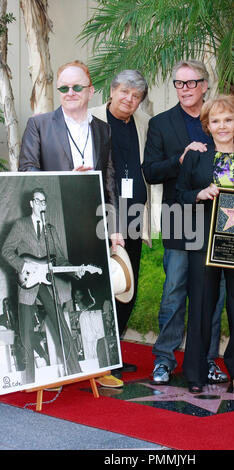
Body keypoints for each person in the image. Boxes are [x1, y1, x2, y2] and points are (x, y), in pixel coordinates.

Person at [143, 59, 234, 385]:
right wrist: (180, 158)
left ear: (204, 85)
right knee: (175, 291)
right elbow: (150, 171)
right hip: (182, 218)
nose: (185, 89)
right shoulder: (161, 123)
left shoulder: (222, 118)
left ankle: (208, 360)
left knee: (215, 294)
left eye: (192, 83)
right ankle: (164, 359)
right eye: (179, 83)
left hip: (220, 224)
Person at [18, 60, 124, 388]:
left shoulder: (103, 129)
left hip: (93, 224)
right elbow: (27, 169)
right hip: (56, 224)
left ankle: (100, 366)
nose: (70, 93)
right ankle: (56, 370)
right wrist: (64, 178)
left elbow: (109, 181)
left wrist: (114, 226)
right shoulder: (39, 125)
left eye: (77, 87)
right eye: (64, 87)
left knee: (96, 287)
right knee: (57, 295)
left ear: (91, 90)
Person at [176, 94, 234, 393]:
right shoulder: (196, 156)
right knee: (201, 307)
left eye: (228, 120)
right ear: (207, 125)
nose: (222, 125)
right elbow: (180, 194)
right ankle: (195, 375)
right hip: (203, 241)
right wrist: (199, 194)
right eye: (215, 120)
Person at [89, 70, 162, 384]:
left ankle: (113, 355)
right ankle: (95, 357)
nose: (130, 100)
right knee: (99, 288)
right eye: (125, 93)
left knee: (126, 289)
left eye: (136, 96)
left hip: (134, 217)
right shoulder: (90, 118)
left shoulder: (145, 122)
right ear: (112, 90)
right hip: (97, 215)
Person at [1, 188, 85, 384]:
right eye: (37, 201)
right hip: (27, 284)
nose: (41, 204)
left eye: (44, 202)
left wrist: (75, 270)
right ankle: (29, 382)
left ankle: (76, 373)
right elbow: (6, 250)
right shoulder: (20, 225)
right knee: (27, 338)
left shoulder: (50, 230)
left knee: (61, 326)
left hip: (45, 284)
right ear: (31, 204)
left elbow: (61, 260)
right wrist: (24, 266)